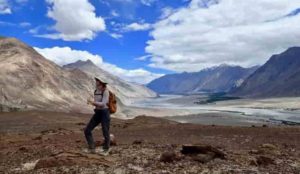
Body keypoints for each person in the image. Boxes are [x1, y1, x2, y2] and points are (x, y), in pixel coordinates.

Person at [84, 77, 111, 156]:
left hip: (105, 112)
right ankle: (92, 148)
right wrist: (93, 103)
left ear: (101, 82)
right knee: (87, 130)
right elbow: (98, 102)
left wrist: (92, 103)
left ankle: (106, 149)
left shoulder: (106, 91)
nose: (96, 82)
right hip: (98, 112)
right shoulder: (96, 91)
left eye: (97, 81)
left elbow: (103, 104)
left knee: (105, 131)